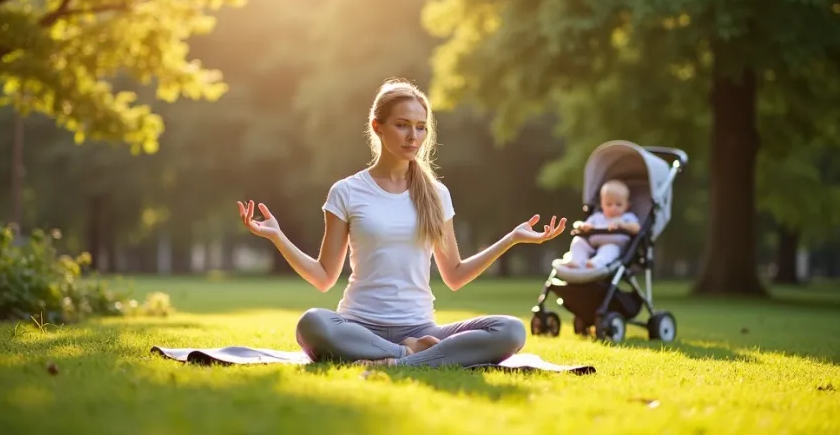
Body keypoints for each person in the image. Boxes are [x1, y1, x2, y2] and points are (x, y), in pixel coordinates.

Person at [236, 79, 567, 368]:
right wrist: (278, 237)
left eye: (421, 127)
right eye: (403, 125)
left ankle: (400, 359)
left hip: (422, 328)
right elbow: (324, 278)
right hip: (357, 326)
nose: (414, 136)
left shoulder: (436, 194)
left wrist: (510, 238)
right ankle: (408, 355)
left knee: (511, 330)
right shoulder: (347, 192)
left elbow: (454, 274)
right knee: (313, 324)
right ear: (377, 126)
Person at [555, 179, 640, 269]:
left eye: (618, 204)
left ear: (627, 205)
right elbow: (583, 225)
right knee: (578, 241)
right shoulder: (597, 217)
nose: (613, 208)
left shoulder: (627, 217)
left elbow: (637, 228)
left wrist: (623, 225)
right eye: (609, 204)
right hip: (593, 243)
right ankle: (576, 261)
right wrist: (584, 226)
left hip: (613, 243)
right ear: (602, 204)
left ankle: (596, 263)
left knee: (609, 250)